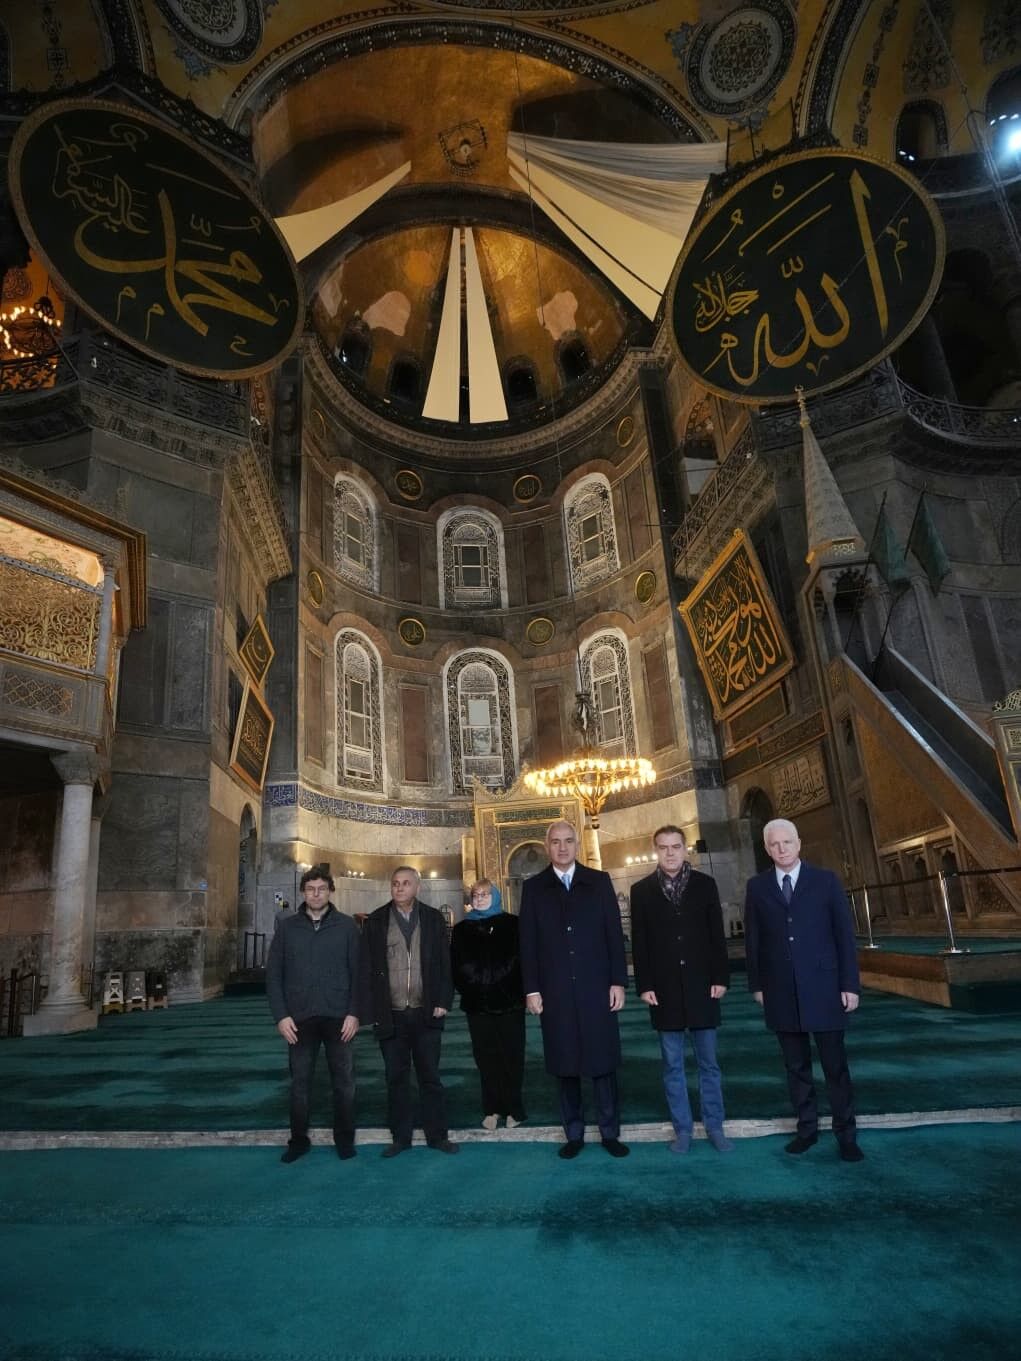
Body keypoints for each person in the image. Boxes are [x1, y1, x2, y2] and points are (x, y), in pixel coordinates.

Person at [744, 817, 864, 1162]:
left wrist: (849, 984)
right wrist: (757, 985)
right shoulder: (757, 887)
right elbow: (753, 940)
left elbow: (844, 937)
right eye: (774, 844)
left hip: (825, 988)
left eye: (787, 842)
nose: (781, 849)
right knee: (796, 1067)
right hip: (780, 990)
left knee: (835, 1068)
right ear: (767, 849)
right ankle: (807, 1130)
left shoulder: (825, 881)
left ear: (798, 844)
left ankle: (846, 1135)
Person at [519, 820, 629, 1159]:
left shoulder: (598, 881)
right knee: (565, 1062)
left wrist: (618, 981)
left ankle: (610, 1132)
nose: (563, 847)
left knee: (602, 1062)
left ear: (577, 845)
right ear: (547, 846)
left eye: (568, 841)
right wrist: (532, 989)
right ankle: (574, 1133)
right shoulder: (534, 888)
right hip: (555, 991)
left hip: (597, 987)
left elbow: (614, 934)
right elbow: (528, 943)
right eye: (556, 842)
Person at [631, 825, 733, 1154]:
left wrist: (720, 977)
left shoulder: (705, 885)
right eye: (663, 847)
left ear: (685, 848)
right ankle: (683, 1130)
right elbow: (640, 943)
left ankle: (715, 1126)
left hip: (703, 986)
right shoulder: (641, 890)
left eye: (675, 846)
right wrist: (645, 984)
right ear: (656, 850)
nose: (670, 853)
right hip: (664, 991)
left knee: (709, 1064)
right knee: (672, 1066)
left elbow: (717, 936)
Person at [360, 866, 459, 1157]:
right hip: (391, 1015)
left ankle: (437, 1136)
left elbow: (445, 963)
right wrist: (372, 1010)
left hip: (426, 1012)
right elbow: (367, 967)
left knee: (430, 1077)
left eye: (405, 883)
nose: (399, 888)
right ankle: (400, 1138)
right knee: (396, 1078)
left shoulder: (433, 918)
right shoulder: (376, 920)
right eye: (395, 883)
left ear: (417, 887)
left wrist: (443, 1000)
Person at [266, 865, 361, 1163]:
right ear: (303, 893)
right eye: (310, 889)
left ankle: (344, 1139)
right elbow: (274, 975)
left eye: (321, 889)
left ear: (331, 891)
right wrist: (281, 1016)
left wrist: (354, 1013)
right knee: (299, 1084)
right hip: (299, 1019)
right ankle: (298, 1140)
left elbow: (359, 974)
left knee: (344, 1082)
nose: (316, 894)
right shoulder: (287, 928)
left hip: (339, 1018)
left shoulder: (347, 927)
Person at [450, 879, 527, 1131]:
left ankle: (514, 1109)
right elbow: (457, 966)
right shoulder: (461, 929)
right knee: (486, 1058)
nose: (480, 898)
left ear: (495, 896)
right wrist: (476, 984)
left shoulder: (513, 924)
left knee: (512, 1056)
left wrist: (500, 982)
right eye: (476, 894)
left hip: (509, 1002)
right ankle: (492, 1108)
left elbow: (520, 960)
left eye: (485, 894)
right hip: (477, 1004)